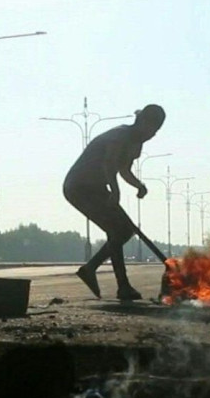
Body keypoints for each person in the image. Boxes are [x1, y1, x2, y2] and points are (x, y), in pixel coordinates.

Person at [63, 104, 165, 300]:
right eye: (152, 128)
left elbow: (124, 169)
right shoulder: (120, 136)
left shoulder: (137, 144)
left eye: (157, 131)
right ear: (142, 122)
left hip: (97, 189)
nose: (153, 134)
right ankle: (123, 287)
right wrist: (115, 191)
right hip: (79, 187)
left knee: (126, 230)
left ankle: (90, 268)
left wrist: (139, 185)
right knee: (116, 230)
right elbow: (109, 164)